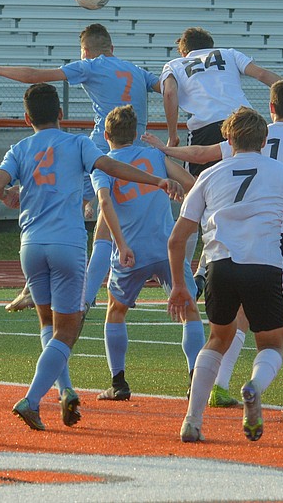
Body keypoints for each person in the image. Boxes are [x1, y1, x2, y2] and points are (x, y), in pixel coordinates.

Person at [0, 83, 183, 431]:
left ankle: (65, 391)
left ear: (26, 118)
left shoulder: (20, 148)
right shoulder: (77, 143)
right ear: (61, 114)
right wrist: (155, 179)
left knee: (49, 324)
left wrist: (8, 196)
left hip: (30, 245)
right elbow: (112, 167)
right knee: (70, 328)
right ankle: (31, 399)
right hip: (66, 244)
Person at [143, 78, 283, 406]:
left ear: (271, 107)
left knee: (237, 321)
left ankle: (219, 384)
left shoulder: (246, 134)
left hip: (244, 241)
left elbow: (202, 153)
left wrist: (165, 149)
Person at [0, 23, 161, 313]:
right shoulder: (136, 69)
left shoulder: (92, 66)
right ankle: (146, 275)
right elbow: (169, 87)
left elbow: (35, 77)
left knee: (65, 202)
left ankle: (54, 289)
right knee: (112, 223)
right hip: (138, 149)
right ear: (112, 47)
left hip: (103, 146)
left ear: (85, 52)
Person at [168, 107, 283, 442]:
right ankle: (253, 387)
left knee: (217, 339)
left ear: (227, 138)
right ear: (265, 140)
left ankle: (192, 420)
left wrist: (180, 285)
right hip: (265, 265)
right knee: (271, 343)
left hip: (220, 266)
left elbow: (177, 238)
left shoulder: (210, 174)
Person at [159, 27, 283, 299]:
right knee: (247, 195)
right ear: (210, 45)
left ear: (184, 50)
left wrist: (173, 134)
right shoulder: (227, 53)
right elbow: (263, 75)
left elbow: (168, 94)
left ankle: (192, 275)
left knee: (198, 205)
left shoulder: (175, 64)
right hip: (243, 124)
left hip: (205, 131)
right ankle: (229, 262)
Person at [90, 104, 204, 401]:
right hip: (167, 247)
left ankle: (119, 383)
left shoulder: (103, 165)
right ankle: (195, 378)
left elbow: (104, 205)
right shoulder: (154, 155)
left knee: (115, 311)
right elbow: (192, 185)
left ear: (106, 135)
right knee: (190, 309)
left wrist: (121, 243)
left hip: (132, 250)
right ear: (138, 134)